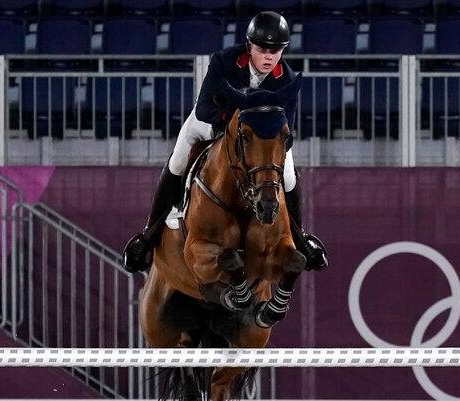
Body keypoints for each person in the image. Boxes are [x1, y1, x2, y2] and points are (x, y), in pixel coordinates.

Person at [121, 11, 328, 276]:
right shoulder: (224, 62)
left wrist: (274, 144)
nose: (268, 56)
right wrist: (232, 127)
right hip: (210, 125)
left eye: (275, 51)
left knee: (287, 175)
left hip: (261, 139)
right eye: (262, 49)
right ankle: (148, 234)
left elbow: (288, 126)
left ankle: (301, 238)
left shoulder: (286, 79)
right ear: (249, 45)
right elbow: (205, 108)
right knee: (178, 159)